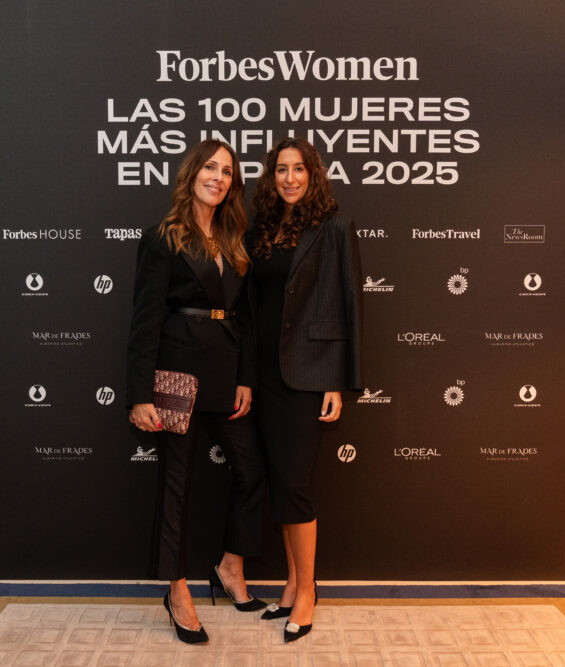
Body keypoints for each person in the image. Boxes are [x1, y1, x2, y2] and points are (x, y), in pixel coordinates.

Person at [126, 139, 266, 644]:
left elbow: (243, 318)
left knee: (252, 471)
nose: (218, 177)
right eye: (210, 167)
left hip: (226, 372)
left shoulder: (234, 238)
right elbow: (145, 319)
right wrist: (140, 394)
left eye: (227, 171)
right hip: (177, 375)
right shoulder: (163, 237)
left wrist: (245, 377)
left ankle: (230, 565)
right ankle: (177, 588)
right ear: (192, 174)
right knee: (176, 485)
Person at [248, 137, 363, 642]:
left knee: (295, 483)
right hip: (264, 372)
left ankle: (309, 591)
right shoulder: (262, 229)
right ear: (271, 176)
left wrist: (339, 380)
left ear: (313, 175)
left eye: (298, 169)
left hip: (310, 373)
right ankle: (293, 585)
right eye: (281, 169)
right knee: (281, 483)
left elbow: (350, 304)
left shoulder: (335, 227)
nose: (290, 178)